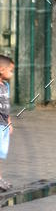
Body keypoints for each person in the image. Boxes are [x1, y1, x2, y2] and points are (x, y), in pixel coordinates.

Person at [0, 55, 14, 192]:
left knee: (1, 153)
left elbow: (6, 106)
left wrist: (9, 122)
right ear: (1, 69)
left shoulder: (6, 86)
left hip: (4, 125)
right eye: (10, 70)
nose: (12, 73)